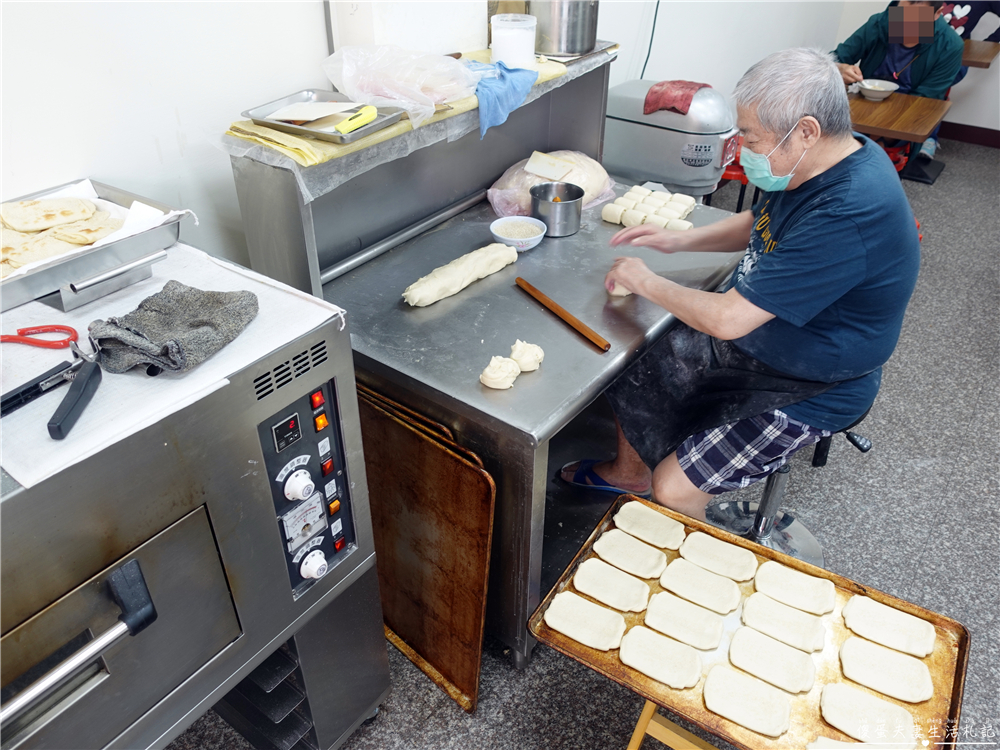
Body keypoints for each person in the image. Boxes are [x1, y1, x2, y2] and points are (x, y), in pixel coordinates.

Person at [560, 48, 921, 522]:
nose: (743, 149)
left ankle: (690, 557)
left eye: (750, 137)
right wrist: (678, 242)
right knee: (637, 356)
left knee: (673, 489)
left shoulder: (850, 210)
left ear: (807, 130)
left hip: (812, 381)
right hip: (764, 336)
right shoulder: (821, 159)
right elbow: (761, 220)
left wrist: (644, 278)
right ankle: (630, 472)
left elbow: (729, 319)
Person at [833, 1, 964, 159]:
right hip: (861, 108)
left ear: (937, 14)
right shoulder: (879, 23)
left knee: (868, 157)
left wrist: (878, 136)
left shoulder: (950, 45)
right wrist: (839, 68)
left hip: (905, 118)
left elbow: (925, 102)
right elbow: (835, 58)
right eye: (901, 13)